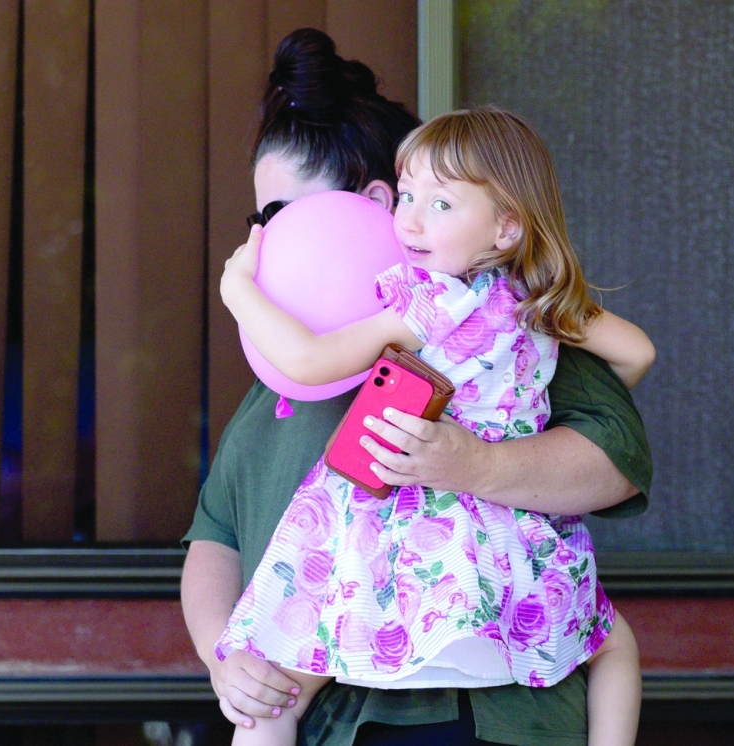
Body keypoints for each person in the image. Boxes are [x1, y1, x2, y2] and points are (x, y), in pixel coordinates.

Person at [180, 28, 652, 746]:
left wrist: (477, 459)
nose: (264, 240)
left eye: (281, 217)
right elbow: (215, 534)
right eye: (260, 218)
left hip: (482, 706)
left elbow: (613, 458)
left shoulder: (449, 311)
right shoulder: (274, 382)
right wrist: (225, 655)